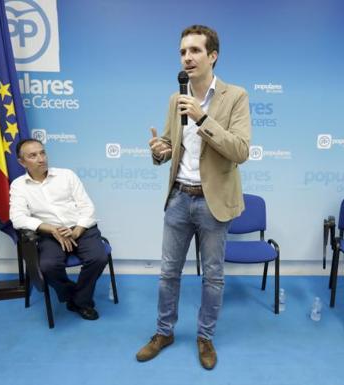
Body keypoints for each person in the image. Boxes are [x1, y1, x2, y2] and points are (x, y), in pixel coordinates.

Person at [135, 25, 251, 370]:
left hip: (213, 203)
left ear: (212, 55)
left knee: (213, 276)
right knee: (168, 273)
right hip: (179, 199)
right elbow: (171, 145)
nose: (188, 57)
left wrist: (203, 118)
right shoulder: (176, 98)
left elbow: (240, 150)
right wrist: (160, 151)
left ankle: (205, 337)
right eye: (183, 51)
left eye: (195, 51)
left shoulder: (236, 96)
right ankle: (163, 332)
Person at [10, 139, 107, 321]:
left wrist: (77, 231)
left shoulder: (67, 175)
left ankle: (81, 301)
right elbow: (18, 218)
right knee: (48, 266)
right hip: (50, 234)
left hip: (81, 228)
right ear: (22, 162)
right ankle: (73, 295)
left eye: (42, 153)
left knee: (98, 258)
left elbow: (87, 207)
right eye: (33, 155)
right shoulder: (18, 186)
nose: (41, 159)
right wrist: (51, 229)